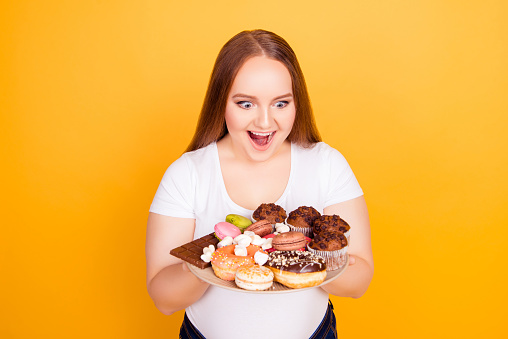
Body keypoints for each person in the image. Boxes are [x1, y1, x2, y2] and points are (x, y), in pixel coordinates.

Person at [146, 29, 373, 339]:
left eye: (280, 104)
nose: (265, 123)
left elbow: (359, 282)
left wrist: (301, 256)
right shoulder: (187, 174)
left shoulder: (326, 164)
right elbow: (163, 299)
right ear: (221, 103)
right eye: (246, 104)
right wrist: (209, 259)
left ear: (297, 103)